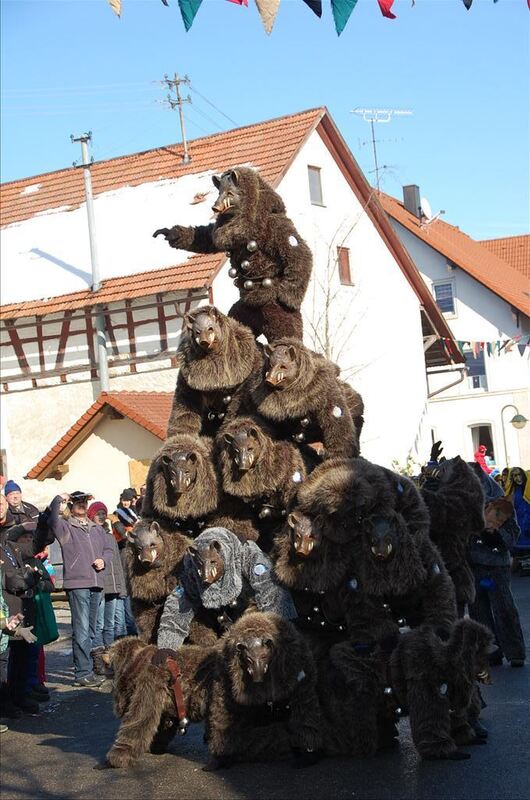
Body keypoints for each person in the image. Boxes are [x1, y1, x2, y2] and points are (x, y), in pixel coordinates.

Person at [48, 491, 114, 687]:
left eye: (84, 501)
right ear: (71, 505)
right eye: (77, 501)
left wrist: (104, 560)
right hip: (77, 584)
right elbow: (51, 519)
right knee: (82, 629)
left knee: (92, 630)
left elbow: (108, 549)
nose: (82, 505)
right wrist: (59, 498)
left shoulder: (96, 528)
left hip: (96, 583)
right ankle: (82, 673)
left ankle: (87, 671)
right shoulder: (65, 526)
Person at [468, 466, 526, 668]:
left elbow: (513, 531)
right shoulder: (465, 504)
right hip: (474, 564)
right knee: (478, 612)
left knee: (504, 609)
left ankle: (515, 652)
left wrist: (497, 538)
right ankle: (489, 652)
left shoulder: (500, 501)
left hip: (496, 566)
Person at [1, 522, 51, 715]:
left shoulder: (13, 548)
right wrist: (29, 579)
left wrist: (48, 518)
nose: (28, 540)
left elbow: (40, 544)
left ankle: (20, 695)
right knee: (7, 659)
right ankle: (7, 701)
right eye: (25, 537)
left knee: (23, 655)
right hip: (9, 607)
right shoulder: (5, 548)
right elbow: (12, 580)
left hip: (24, 608)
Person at [88, 502, 126, 675]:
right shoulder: (89, 535)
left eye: (104, 513)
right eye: (98, 513)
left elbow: (117, 564)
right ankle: (98, 663)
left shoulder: (110, 536)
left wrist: (121, 587)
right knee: (98, 624)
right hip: (99, 587)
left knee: (110, 625)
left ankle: (110, 660)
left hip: (113, 587)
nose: (102, 516)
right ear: (91, 515)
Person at [504, 467, 530, 549]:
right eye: (515, 475)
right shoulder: (512, 491)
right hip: (518, 525)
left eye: (519, 475)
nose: (518, 478)